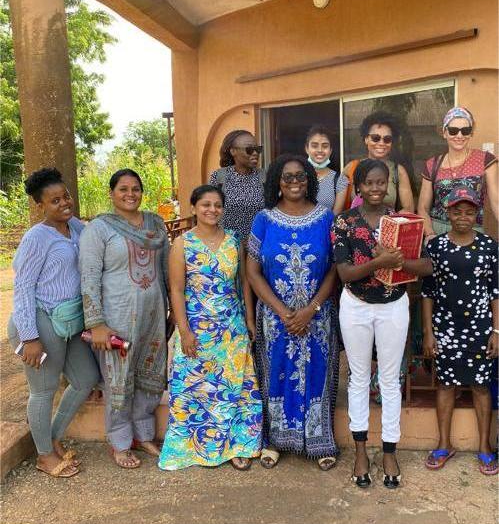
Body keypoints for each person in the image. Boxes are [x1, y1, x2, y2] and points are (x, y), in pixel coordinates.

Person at [332, 159, 432, 488]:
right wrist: (380, 262)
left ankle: (390, 450)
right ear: (359, 187)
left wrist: (399, 262)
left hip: (393, 306)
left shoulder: (402, 221)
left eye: (381, 182)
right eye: (369, 183)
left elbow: (426, 266)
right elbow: (345, 273)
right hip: (356, 306)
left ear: (388, 185)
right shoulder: (344, 222)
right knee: (359, 378)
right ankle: (361, 451)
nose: (376, 188)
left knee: (389, 380)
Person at [158, 185, 262, 471]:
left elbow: (243, 283)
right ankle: (197, 447)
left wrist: (249, 319)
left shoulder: (233, 241)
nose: (212, 210)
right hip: (197, 329)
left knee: (236, 388)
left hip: (231, 328)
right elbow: (176, 290)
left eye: (217, 205)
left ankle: (238, 446)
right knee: (197, 389)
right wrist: (184, 331)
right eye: (206, 204)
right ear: (194, 207)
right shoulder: (182, 244)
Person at [246, 154, 340, 470]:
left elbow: (334, 269)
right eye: (287, 177)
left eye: (301, 176)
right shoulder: (264, 219)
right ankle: (274, 441)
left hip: (318, 317)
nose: (295, 182)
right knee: (276, 374)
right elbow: (253, 272)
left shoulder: (326, 218)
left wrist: (311, 310)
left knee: (317, 374)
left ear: (309, 180)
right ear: (277, 181)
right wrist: (284, 312)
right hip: (276, 319)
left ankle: (320, 440)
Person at [8, 168, 99, 478]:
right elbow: (23, 288)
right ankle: (44, 456)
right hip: (41, 320)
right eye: (55, 200)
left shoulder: (77, 227)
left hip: (70, 320)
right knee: (43, 389)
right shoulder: (36, 238)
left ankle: (53, 437)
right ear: (40, 206)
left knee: (86, 378)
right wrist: (29, 337)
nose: (64, 203)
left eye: (66, 196)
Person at [79, 169, 170, 469]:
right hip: (116, 318)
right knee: (118, 378)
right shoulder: (99, 229)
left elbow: (166, 269)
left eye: (135, 189)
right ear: (112, 193)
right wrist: (96, 323)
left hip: (153, 316)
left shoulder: (155, 225)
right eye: (123, 189)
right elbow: (89, 276)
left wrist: (172, 309)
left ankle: (143, 435)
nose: (130, 194)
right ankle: (119, 441)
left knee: (150, 374)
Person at [422, 186, 498, 475]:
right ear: (448, 213)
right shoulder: (436, 247)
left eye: (469, 212)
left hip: (480, 328)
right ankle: (444, 444)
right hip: (445, 327)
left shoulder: (490, 247)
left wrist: (497, 331)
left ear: (477, 214)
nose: (463, 217)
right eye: (457, 212)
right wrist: (428, 332)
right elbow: (428, 292)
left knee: (480, 385)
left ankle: (484, 447)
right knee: (445, 385)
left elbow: (496, 292)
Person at [418, 106, 498, 242]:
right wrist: (430, 234)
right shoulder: (432, 164)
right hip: (439, 232)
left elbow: (496, 202)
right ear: (444, 132)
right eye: (453, 131)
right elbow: (423, 208)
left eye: (465, 130)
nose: (459, 136)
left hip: (472, 233)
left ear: (471, 133)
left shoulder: (485, 160)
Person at [342, 111, 414, 212]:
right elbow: (340, 206)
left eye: (387, 139)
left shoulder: (398, 171)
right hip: (356, 221)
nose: (381, 143)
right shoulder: (351, 168)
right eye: (375, 138)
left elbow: (408, 209)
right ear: (366, 139)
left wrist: (388, 220)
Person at [209, 129, 265, 245]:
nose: (255, 153)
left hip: (258, 245)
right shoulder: (219, 177)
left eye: (257, 149)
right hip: (226, 246)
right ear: (233, 151)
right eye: (249, 149)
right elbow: (210, 211)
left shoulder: (265, 177)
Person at [304, 124, 349, 215]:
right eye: (314, 146)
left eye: (325, 146)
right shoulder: (297, 177)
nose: (320, 150)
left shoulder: (340, 180)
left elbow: (335, 217)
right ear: (307, 149)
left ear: (330, 150)